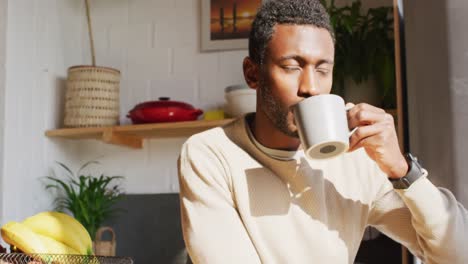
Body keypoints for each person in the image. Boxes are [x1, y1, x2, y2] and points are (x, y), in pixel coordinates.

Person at [177, 0, 468, 263]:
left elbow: (457, 254)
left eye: (322, 70)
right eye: (292, 67)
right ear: (253, 74)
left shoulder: (355, 159)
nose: (311, 87)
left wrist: (402, 170)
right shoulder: (211, 154)